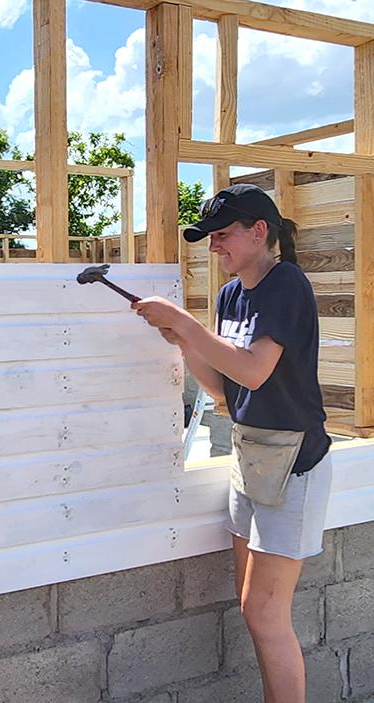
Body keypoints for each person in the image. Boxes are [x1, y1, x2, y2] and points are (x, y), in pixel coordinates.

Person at [131, 184, 330, 703]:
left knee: (266, 614)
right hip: (251, 456)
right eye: (210, 238)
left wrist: (184, 322)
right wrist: (181, 341)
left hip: (293, 464)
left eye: (223, 235)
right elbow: (223, 386)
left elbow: (256, 372)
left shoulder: (285, 283)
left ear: (259, 231)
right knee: (252, 611)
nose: (213, 246)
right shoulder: (231, 294)